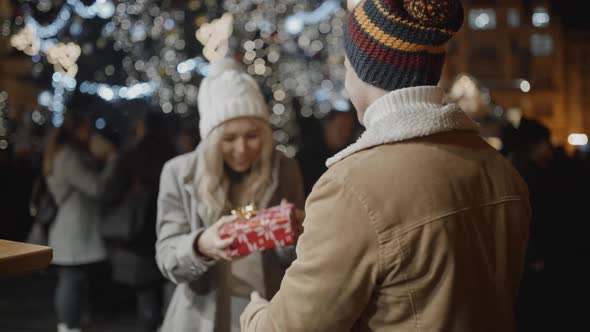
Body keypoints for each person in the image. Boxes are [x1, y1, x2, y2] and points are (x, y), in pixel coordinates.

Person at [241, 0, 530, 331]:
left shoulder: (351, 187)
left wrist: (254, 310)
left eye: (346, 65)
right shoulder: (501, 171)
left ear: (363, 71)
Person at [156, 58, 305, 332]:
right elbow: (167, 258)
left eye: (252, 136)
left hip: (268, 310)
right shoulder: (177, 173)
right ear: (212, 139)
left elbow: (298, 259)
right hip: (201, 315)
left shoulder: (283, 168)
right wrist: (201, 245)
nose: (242, 148)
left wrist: (292, 234)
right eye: (229, 138)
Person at [100, 111, 176, 331]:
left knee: (147, 293)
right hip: (168, 229)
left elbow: (109, 193)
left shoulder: (132, 156)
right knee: (169, 286)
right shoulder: (173, 155)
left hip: (140, 232)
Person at [43, 114, 116, 332]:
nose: (91, 134)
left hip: (74, 227)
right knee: (71, 279)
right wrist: (111, 159)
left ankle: (70, 322)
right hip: (72, 229)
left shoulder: (67, 154)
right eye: (87, 130)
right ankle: (67, 324)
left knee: (75, 279)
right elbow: (95, 187)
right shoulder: (69, 156)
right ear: (75, 131)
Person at [296, 110, 357, 195]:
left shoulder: (348, 156)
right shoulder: (307, 157)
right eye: (341, 127)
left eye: (349, 129)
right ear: (327, 124)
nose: (345, 134)